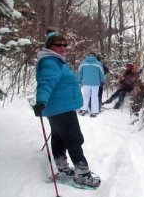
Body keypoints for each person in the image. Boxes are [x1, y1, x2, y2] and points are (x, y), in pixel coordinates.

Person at [32, 28, 100, 188]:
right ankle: (82, 174)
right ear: (50, 47)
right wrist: (41, 100)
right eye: (58, 45)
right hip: (61, 108)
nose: (63, 48)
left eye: (65, 44)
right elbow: (46, 82)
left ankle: (63, 169)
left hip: (57, 107)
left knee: (59, 138)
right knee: (74, 139)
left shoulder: (53, 60)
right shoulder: (50, 61)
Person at [77, 52, 105, 117]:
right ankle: (94, 112)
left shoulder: (83, 62)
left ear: (88, 55)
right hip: (95, 83)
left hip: (86, 82)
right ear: (95, 56)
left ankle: (83, 110)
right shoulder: (98, 63)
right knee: (94, 97)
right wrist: (102, 81)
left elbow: (80, 72)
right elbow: (102, 73)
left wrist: (79, 80)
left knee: (86, 96)